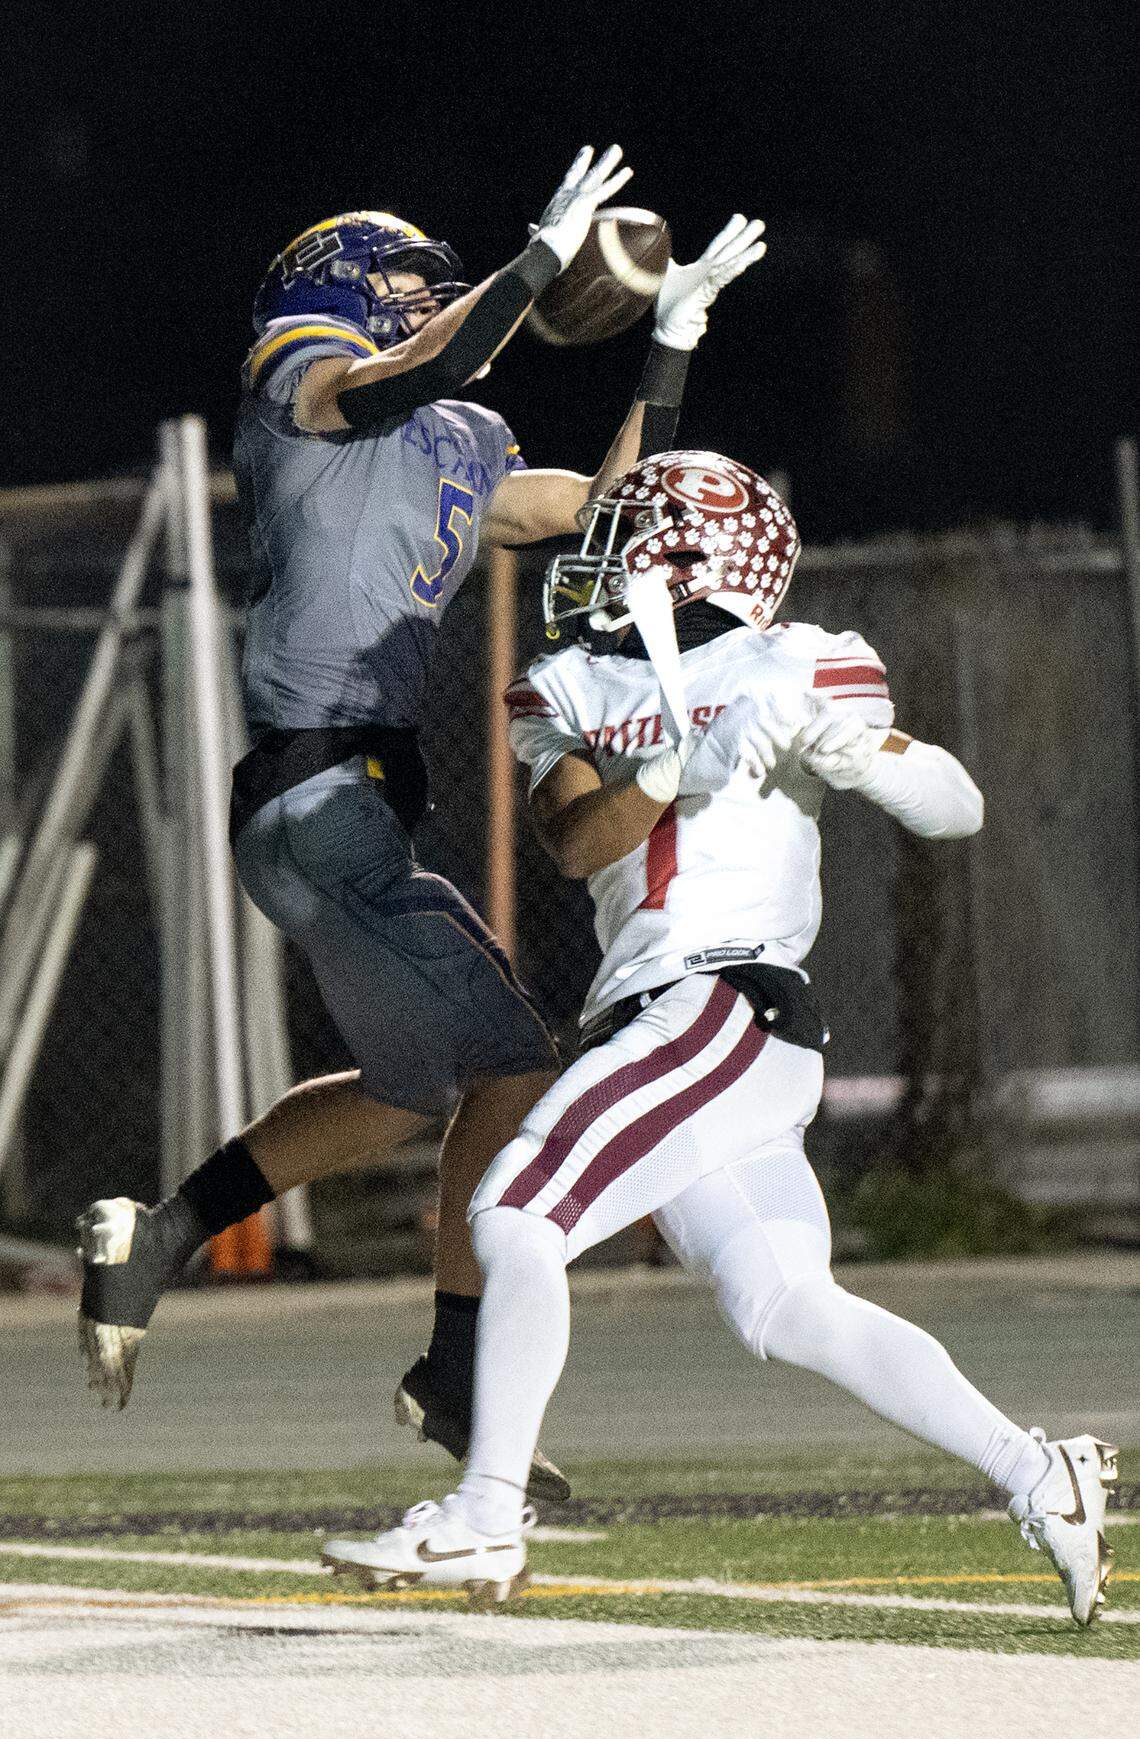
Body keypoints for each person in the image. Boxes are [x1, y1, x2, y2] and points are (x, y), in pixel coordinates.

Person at [321, 449, 1119, 1624]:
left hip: (723, 1000)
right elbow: (576, 841)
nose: (585, 567)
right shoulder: (575, 685)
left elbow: (959, 804)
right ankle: (1039, 1471)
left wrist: (859, 753)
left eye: (615, 540)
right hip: (686, 1023)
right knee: (785, 1302)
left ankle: (486, 1515)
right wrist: (672, 765)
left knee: (515, 1208)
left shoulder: (801, 662)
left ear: (686, 559)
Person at [76, 151, 768, 1504]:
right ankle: (455, 1367)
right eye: (405, 279)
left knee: (408, 1088)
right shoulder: (305, 377)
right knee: (514, 1055)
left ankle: (157, 1237)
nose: (423, 296)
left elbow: (608, 527)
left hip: (351, 811)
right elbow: (400, 373)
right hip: (316, 789)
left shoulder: (464, 441)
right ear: (340, 284)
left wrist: (669, 346)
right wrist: (523, 271)